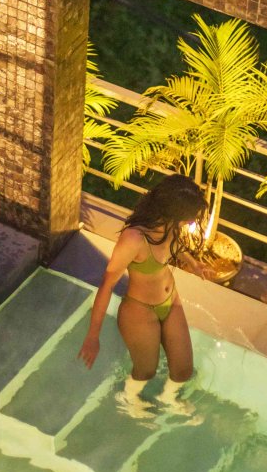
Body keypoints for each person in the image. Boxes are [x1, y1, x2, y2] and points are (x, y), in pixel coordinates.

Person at [78, 174, 206, 409]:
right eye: (186, 218)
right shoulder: (134, 239)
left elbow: (174, 245)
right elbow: (107, 285)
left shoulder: (170, 225)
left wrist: (194, 264)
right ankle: (129, 397)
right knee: (146, 371)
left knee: (183, 371)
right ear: (172, 212)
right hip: (140, 310)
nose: (188, 222)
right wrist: (93, 336)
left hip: (171, 300)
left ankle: (168, 397)